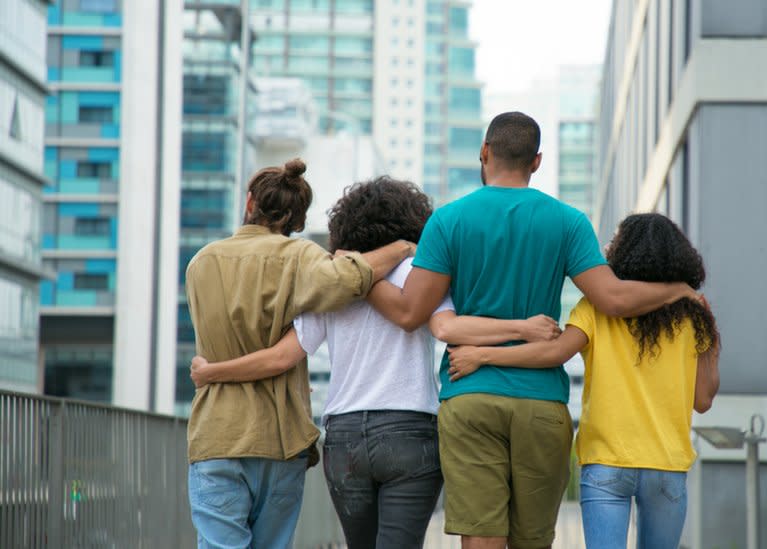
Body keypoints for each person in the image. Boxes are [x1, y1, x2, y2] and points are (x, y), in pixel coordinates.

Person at [366, 112, 700, 549]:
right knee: (533, 541)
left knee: (482, 538)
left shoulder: (448, 221)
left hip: (471, 395)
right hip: (542, 404)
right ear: (537, 161)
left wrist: (360, 276)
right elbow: (614, 299)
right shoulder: (567, 221)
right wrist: (678, 288)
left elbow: (411, 312)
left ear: (484, 152)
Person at [189, 176, 562, 549]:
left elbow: (285, 355)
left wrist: (211, 372)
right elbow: (448, 327)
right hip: (411, 429)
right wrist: (521, 329)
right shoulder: (423, 276)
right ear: (415, 222)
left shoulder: (332, 282)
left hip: (344, 436)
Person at [447, 213, 721, 549]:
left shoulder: (596, 308)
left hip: (606, 463)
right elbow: (704, 400)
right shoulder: (695, 316)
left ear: (625, 254)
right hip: (667, 465)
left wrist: (483, 356)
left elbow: (553, 354)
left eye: (614, 243)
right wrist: (711, 338)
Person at [184, 160, 415, 549]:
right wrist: (403, 246)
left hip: (217, 434)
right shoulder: (300, 258)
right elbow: (350, 277)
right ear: (296, 218)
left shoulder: (200, 264)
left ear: (249, 201)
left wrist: (210, 372)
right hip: (280, 438)